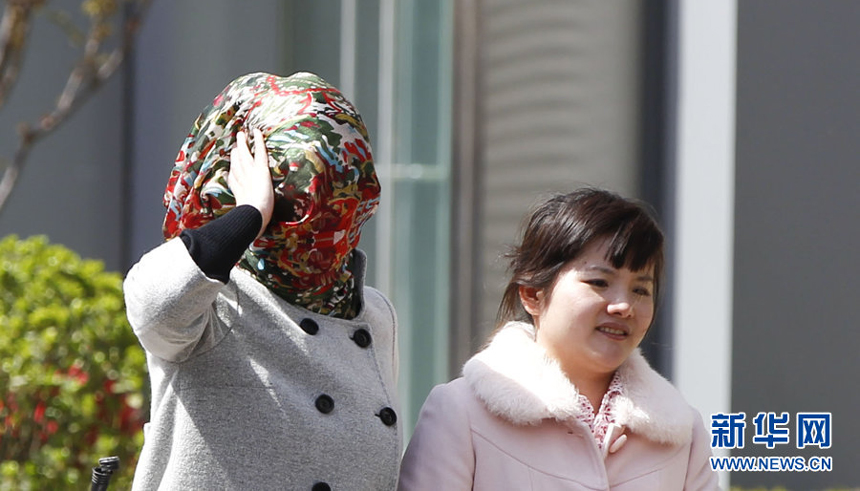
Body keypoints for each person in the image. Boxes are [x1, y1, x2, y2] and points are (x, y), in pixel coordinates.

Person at [124, 72, 400, 491]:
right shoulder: (211, 302)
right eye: (300, 199)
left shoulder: (373, 314)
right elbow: (154, 305)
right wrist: (251, 211)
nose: (326, 220)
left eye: (345, 188)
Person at [398, 188, 719, 490]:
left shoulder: (681, 432)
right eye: (599, 282)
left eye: (640, 290)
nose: (623, 306)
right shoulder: (462, 412)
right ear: (532, 295)